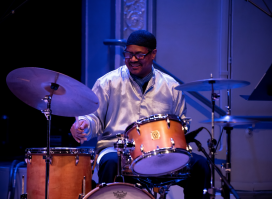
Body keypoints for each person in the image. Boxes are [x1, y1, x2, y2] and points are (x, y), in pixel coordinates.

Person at [70, 30, 211, 198]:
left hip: (160, 151)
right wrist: (84, 126)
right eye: (128, 54)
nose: (133, 59)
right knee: (110, 162)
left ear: (153, 54)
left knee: (200, 164)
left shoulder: (171, 86)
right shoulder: (107, 82)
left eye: (139, 55)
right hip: (117, 149)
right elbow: (94, 118)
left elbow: (181, 123)